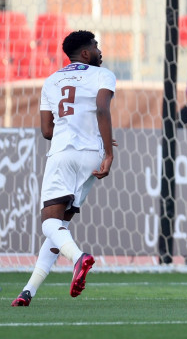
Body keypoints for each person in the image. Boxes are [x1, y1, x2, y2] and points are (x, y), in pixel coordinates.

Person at [11, 30, 115, 307]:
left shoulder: (52, 80)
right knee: (60, 225)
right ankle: (28, 290)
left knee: (49, 222)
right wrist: (108, 150)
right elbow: (102, 109)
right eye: (95, 46)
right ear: (85, 53)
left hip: (62, 153)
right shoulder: (102, 75)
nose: (99, 51)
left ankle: (79, 257)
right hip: (92, 154)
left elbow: (46, 130)